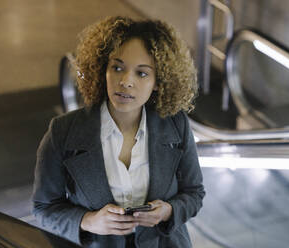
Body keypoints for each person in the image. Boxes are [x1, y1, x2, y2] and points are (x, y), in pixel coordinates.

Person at [32, 16, 205, 248]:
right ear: (103, 69)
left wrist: (168, 211)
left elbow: (194, 193)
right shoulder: (62, 132)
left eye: (141, 73)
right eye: (117, 67)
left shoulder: (176, 125)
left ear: (158, 81)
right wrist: (88, 221)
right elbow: (44, 208)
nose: (125, 81)